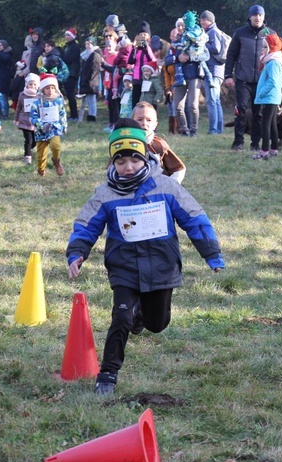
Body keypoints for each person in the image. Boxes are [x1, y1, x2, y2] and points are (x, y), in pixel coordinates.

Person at [66, 119, 225, 395]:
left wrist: (211, 254)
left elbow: (195, 218)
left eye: (134, 160)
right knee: (121, 317)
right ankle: (107, 375)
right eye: (120, 162)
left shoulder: (166, 187)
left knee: (157, 323)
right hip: (124, 266)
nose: (128, 167)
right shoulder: (105, 194)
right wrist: (77, 253)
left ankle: (142, 315)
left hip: (162, 265)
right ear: (112, 164)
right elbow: (86, 225)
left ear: (146, 158)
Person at [225, 5, 274, 151]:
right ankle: (238, 142)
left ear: (263, 17)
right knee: (241, 110)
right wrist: (228, 75)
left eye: (260, 15)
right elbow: (231, 55)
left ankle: (255, 143)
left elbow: (277, 56)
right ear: (250, 17)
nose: (257, 18)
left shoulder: (270, 34)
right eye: (255, 15)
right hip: (243, 79)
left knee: (258, 113)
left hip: (262, 81)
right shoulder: (240, 33)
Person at [132, 101, 186, 183]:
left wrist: (171, 186)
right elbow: (112, 169)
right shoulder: (125, 144)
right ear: (132, 122)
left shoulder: (159, 145)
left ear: (155, 125)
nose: (144, 123)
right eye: (139, 119)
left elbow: (179, 169)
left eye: (149, 120)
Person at [253, 33, 282, 160]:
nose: (262, 50)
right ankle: (274, 149)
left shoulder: (273, 62)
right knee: (271, 124)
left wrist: (261, 93)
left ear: (272, 48)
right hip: (271, 97)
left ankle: (264, 152)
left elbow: (273, 81)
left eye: (265, 47)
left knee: (265, 124)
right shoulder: (271, 61)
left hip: (269, 97)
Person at [30, 73, 67, 176]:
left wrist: (64, 126)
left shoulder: (59, 101)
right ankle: (41, 170)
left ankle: (56, 161)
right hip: (41, 132)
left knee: (56, 146)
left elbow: (62, 114)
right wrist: (41, 125)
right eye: (47, 88)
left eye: (52, 88)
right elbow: (33, 117)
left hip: (55, 129)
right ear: (42, 89)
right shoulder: (36, 103)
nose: (50, 90)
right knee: (41, 154)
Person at [200, 10, 226, 135]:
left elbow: (216, 48)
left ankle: (214, 129)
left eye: (204, 20)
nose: (202, 22)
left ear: (211, 21)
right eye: (201, 20)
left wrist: (202, 45)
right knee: (215, 101)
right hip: (216, 71)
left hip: (213, 71)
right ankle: (218, 129)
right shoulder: (210, 32)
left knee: (211, 101)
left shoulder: (213, 32)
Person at [128, 22, 157, 106]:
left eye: (145, 34)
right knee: (136, 102)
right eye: (141, 34)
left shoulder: (151, 47)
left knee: (147, 101)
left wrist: (146, 47)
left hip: (148, 78)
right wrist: (134, 48)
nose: (143, 36)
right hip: (137, 79)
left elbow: (151, 59)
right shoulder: (136, 48)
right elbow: (130, 61)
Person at [14, 73, 39, 165]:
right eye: (30, 84)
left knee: (35, 141)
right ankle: (27, 157)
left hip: (36, 122)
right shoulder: (22, 95)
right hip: (25, 122)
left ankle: (30, 148)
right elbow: (19, 107)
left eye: (34, 84)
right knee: (28, 140)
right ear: (27, 84)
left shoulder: (39, 95)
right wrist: (16, 119)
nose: (32, 86)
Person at [79, 36, 102, 122]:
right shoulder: (86, 55)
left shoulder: (95, 54)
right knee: (88, 100)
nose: (87, 46)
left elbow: (93, 69)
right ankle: (87, 116)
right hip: (86, 80)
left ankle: (92, 117)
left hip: (92, 81)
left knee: (92, 100)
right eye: (86, 44)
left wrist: (87, 79)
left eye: (89, 44)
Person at [62, 28, 81, 123]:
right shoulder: (67, 47)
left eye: (68, 35)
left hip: (72, 73)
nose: (66, 37)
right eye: (66, 35)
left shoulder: (74, 47)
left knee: (71, 94)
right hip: (68, 73)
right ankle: (72, 114)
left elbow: (68, 59)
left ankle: (74, 115)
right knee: (69, 95)